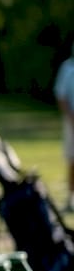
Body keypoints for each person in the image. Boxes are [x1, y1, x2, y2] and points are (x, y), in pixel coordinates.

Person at [55, 42, 74, 213]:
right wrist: (71, 118)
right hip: (72, 121)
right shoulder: (67, 68)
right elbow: (61, 95)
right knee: (72, 160)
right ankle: (70, 199)